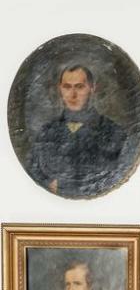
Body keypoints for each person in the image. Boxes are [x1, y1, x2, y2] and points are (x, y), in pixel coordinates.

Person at [27, 63, 127, 197]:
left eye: (80, 87)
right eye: (67, 87)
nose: (72, 94)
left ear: (92, 88)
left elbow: (118, 178)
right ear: (60, 89)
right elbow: (33, 177)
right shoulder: (45, 134)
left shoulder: (115, 133)